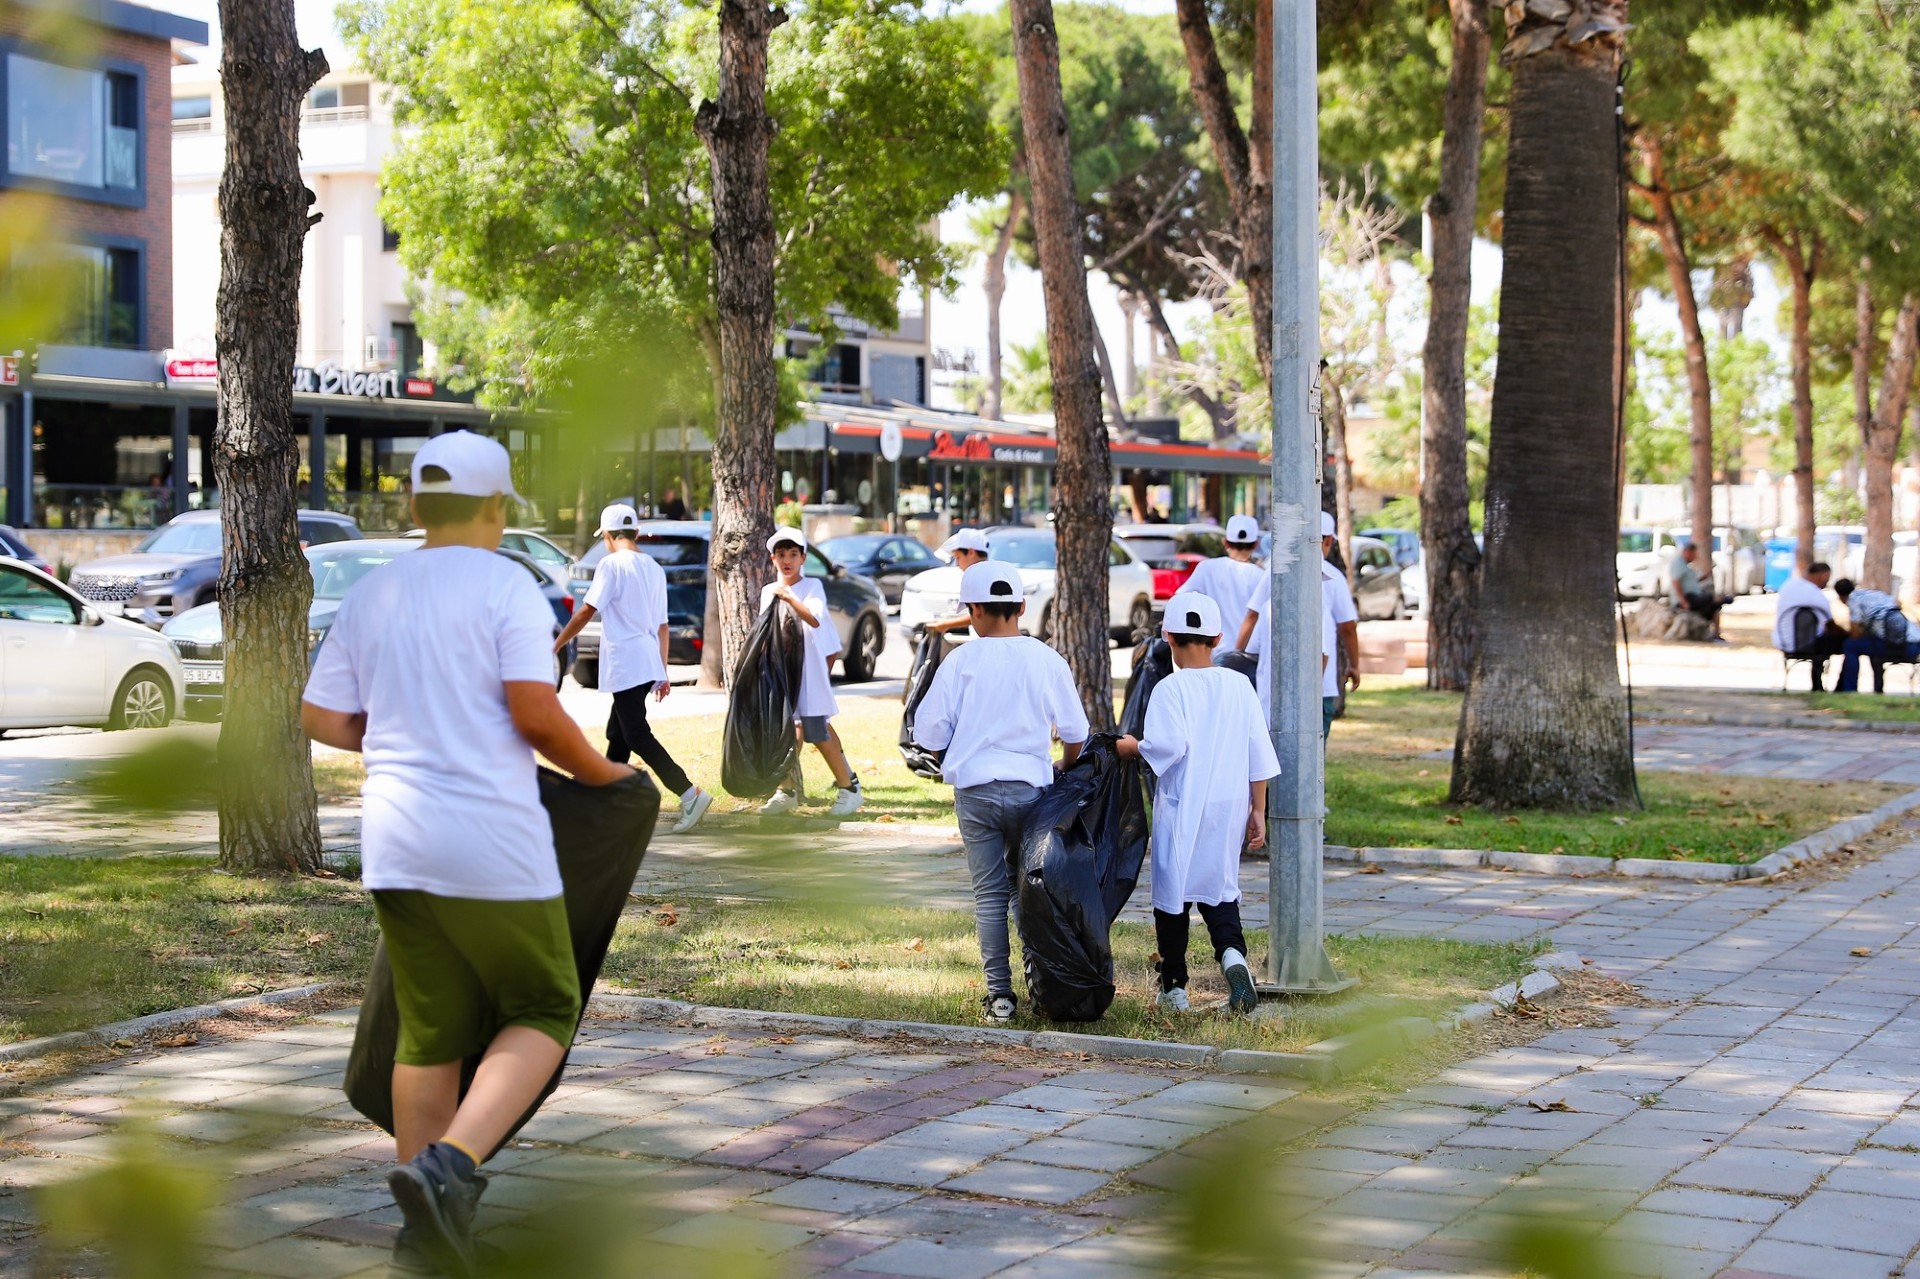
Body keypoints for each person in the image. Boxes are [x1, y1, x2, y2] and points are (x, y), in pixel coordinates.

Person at [300, 432, 631, 1278]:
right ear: (497, 509)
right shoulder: (505, 584)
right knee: (546, 1003)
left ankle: (425, 1236)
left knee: (432, 1030)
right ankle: (449, 1169)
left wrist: (403, 728)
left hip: (396, 841)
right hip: (488, 839)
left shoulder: (376, 591)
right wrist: (602, 771)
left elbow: (321, 715)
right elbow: (531, 707)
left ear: (413, 507)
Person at [911, 560, 1090, 1022]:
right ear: (1022, 606)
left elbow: (928, 733)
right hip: (1033, 794)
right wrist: (1065, 766)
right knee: (1026, 892)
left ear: (972, 610)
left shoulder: (961, 660)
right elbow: (1076, 731)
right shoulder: (1046, 658)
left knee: (989, 894)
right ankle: (1041, 981)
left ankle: (1000, 996)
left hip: (975, 793)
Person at [1118, 592, 1279, 1015]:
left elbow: (1167, 747)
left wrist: (1132, 747)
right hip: (1229, 806)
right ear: (1218, 638)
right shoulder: (1238, 685)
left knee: (1172, 898)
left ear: (1167, 636)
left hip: (1182, 805)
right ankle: (1234, 958)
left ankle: (1174, 989)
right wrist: (1257, 810)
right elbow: (1257, 751)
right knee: (1220, 889)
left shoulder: (1170, 689)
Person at [552, 504, 713, 835]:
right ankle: (607, 801)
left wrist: (555, 644)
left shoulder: (610, 564)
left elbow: (586, 611)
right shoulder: (654, 567)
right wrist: (662, 670)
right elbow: (663, 625)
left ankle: (688, 793)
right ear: (636, 533)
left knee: (636, 733)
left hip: (625, 661)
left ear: (608, 537)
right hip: (647, 660)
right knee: (619, 734)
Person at [759, 528, 864, 817]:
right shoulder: (768, 591)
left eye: (793, 554)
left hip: (807, 675)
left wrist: (789, 598)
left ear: (803, 557)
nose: (787, 560)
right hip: (781, 674)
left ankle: (849, 789)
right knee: (784, 734)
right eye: (781, 554)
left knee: (817, 731)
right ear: (773, 558)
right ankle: (786, 791)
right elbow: (764, 635)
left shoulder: (812, 587)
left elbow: (815, 619)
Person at [1834, 577, 1920, 693]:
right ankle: (1877, 688)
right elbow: (1897, 604)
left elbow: (1854, 634)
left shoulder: (1853, 600)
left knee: (1850, 645)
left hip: (1894, 647)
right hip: (1914, 645)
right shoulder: (1876, 595)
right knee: (1872, 642)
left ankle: (1849, 689)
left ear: (1840, 596)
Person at [1772, 560, 1845, 691]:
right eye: (1826, 579)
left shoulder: (1788, 585)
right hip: (1810, 645)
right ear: (1823, 576)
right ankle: (1841, 686)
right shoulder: (1815, 593)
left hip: (1784, 641)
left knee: (1821, 641)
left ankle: (1819, 683)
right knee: (1849, 644)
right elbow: (1830, 624)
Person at [1182, 515, 1265, 626]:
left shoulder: (1206, 568)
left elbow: (1181, 598)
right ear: (1256, 544)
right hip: (1249, 643)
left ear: (1225, 542)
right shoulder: (1261, 576)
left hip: (1211, 642)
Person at [922, 529, 993, 635]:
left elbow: (982, 614)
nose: (957, 564)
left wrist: (946, 624)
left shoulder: (983, 577)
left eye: (958, 557)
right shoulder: (990, 572)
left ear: (971, 552)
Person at [1669, 542, 1725, 640]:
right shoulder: (1678, 563)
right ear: (1688, 552)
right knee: (1710, 597)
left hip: (1693, 596)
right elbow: (1675, 582)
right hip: (1686, 598)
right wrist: (1683, 601)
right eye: (1694, 554)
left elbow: (1689, 581)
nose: (1695, 557)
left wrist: (1703, 577)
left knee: (1715, 607)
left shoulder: (1686, 565)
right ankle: (1723, 599)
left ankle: (1716, 633)